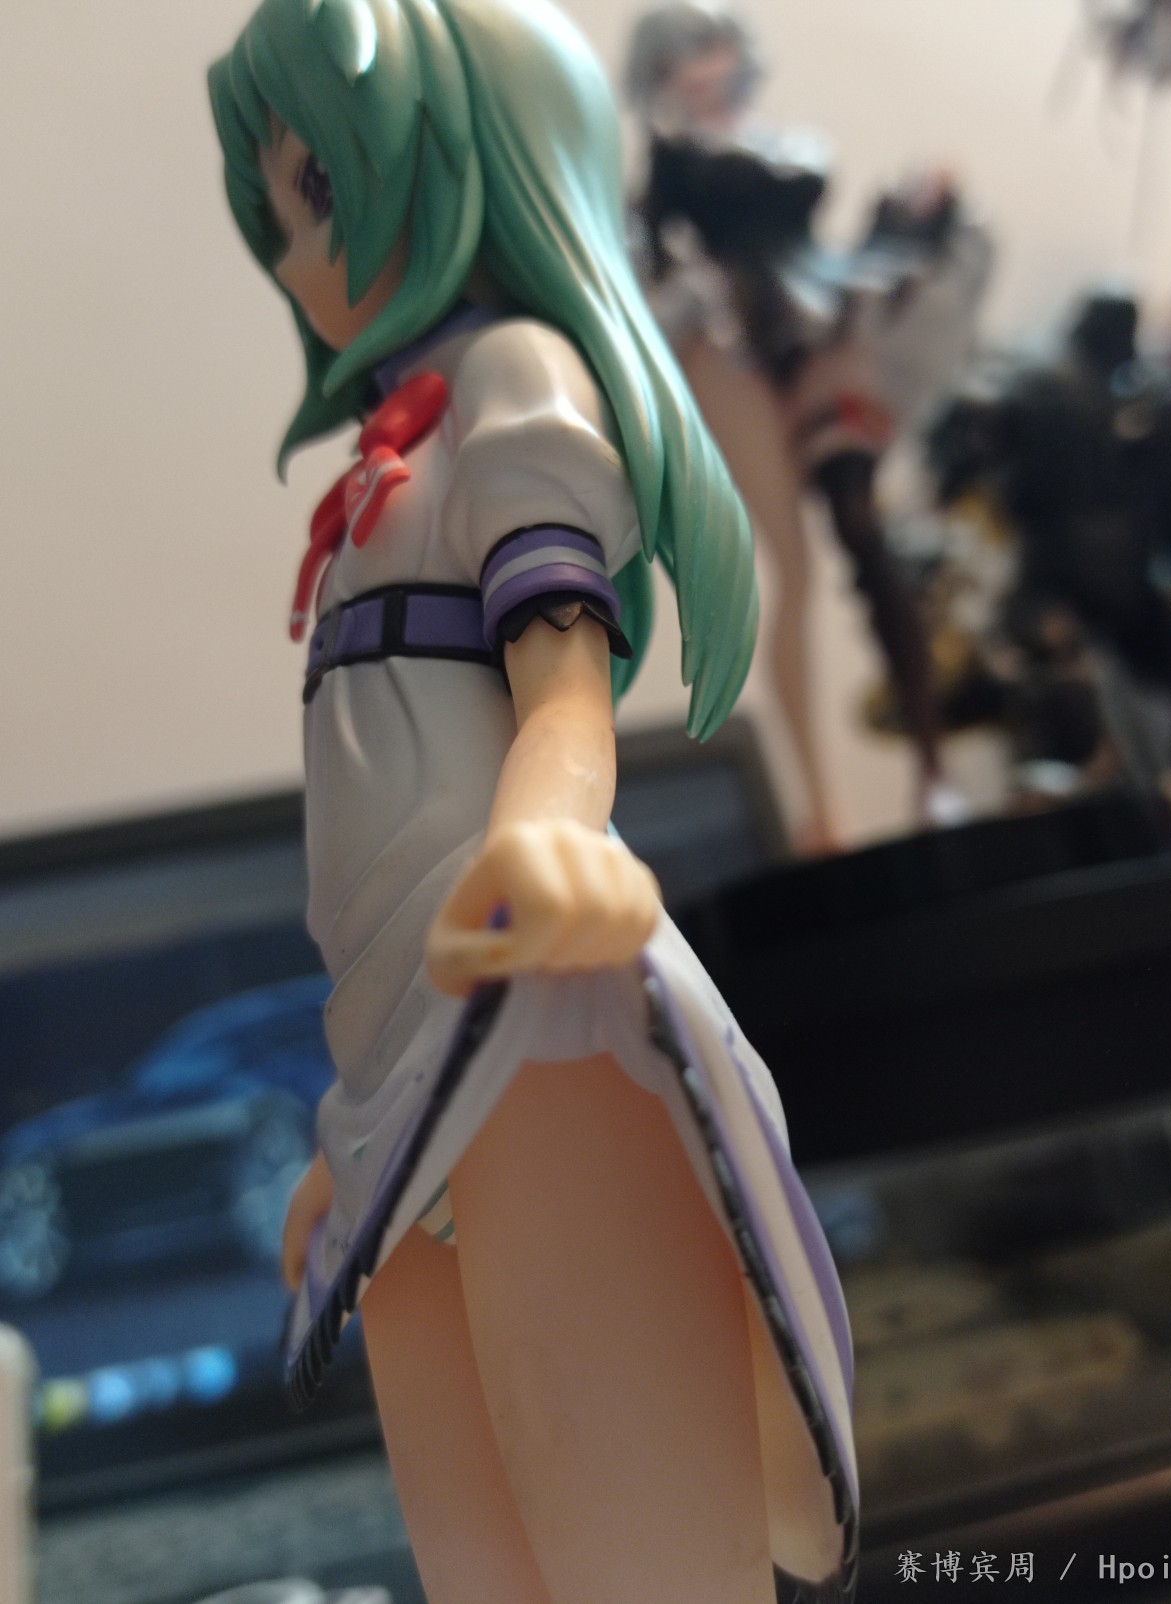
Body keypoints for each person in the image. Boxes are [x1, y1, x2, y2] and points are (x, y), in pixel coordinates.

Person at [207, 3, 858, 1602]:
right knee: (486, 1560)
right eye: (276, 204)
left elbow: (563, 688)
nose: (294, 249)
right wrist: (356, 1124)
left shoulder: (513, 375)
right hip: (407, 1059)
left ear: (463, 160)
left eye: (318, 188)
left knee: (640, 1560)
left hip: (533, 1008)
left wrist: (553, 842)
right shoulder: (395, 446)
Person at [626, 2, 990, 843]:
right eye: (685, 57)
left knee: (862, 529)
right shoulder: (672, 165)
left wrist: (911, 209)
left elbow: (824, 244)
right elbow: (643, 268)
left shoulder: (776, 141)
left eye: (714, 49)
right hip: (730, 350)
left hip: (822, 325)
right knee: (791, 561)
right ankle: (821, 803)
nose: (706, 68)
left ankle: (932, 773)